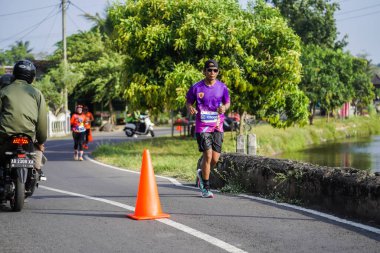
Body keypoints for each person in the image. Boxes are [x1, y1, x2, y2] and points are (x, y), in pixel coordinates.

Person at [186, 59, 230, 198]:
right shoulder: (196, 87)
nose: (212, 73)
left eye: (215, 70)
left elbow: (227, 103)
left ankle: (201, 173)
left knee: (215, 159)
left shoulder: (222, 87)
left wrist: (224, 107)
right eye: (209, 70)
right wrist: (190, 108)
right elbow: (188, 102)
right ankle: (205, 187)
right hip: (203, 125)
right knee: (208, 155)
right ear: (204, 71)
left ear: (218, 72)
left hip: (218, 124)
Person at [0, 60, 48, 180]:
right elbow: (42, 120)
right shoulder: (37, 93)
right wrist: (41, 141)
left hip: (5, 137)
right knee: (36, 151)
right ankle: (37, 171)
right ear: (32, 77)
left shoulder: (3, 91)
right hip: (28, 136)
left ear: (14, 74)